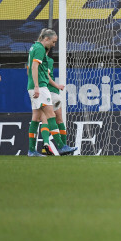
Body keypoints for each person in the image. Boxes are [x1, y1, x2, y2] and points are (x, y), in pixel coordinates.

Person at [26, 29, 71, 157]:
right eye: (53, 41)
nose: (54, 44)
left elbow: (31, 69)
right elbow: (34, 67)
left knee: (35, 117)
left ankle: (31, 150)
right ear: (46, 39)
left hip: (35, 86)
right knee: (51, 115)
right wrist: (36, 86)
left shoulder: (34, 47)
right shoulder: (40, 48)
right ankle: (61, 146)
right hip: (40, 87)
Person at [39, 47, 77, 156]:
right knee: (59, 119)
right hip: (51, 92)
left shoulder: (34, 59)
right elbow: (47, 75)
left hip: (40, 91)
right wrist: (57, 85)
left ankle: (46, 144)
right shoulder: (48, 60)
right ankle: (64, 147)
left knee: (44, 119)